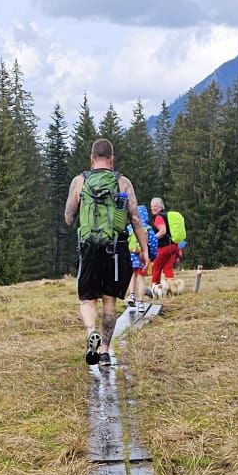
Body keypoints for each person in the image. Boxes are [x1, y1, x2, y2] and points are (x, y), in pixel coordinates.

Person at [64, 139, 151, 365]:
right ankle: (104, 350)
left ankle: (91, 330)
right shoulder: (123, 183)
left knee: (87, 299)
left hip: (89, 249)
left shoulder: (79, 181)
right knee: (110, 302)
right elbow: (135, 220)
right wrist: (145, 251)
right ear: (112, 159)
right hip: (116, 249)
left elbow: (68, 217)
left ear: (92, 158)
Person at [149, 196, 185, 294]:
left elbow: (163, 231)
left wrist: (152, 240)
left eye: (155, 206)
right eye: (152, 206)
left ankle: (154, 289)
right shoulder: (167, 216)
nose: (153, 208)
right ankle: (173, 289)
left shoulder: (159, 217)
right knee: (168, 268)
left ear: (160, 206)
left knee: (156, 267)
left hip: (164, 247)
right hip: (174, 246)